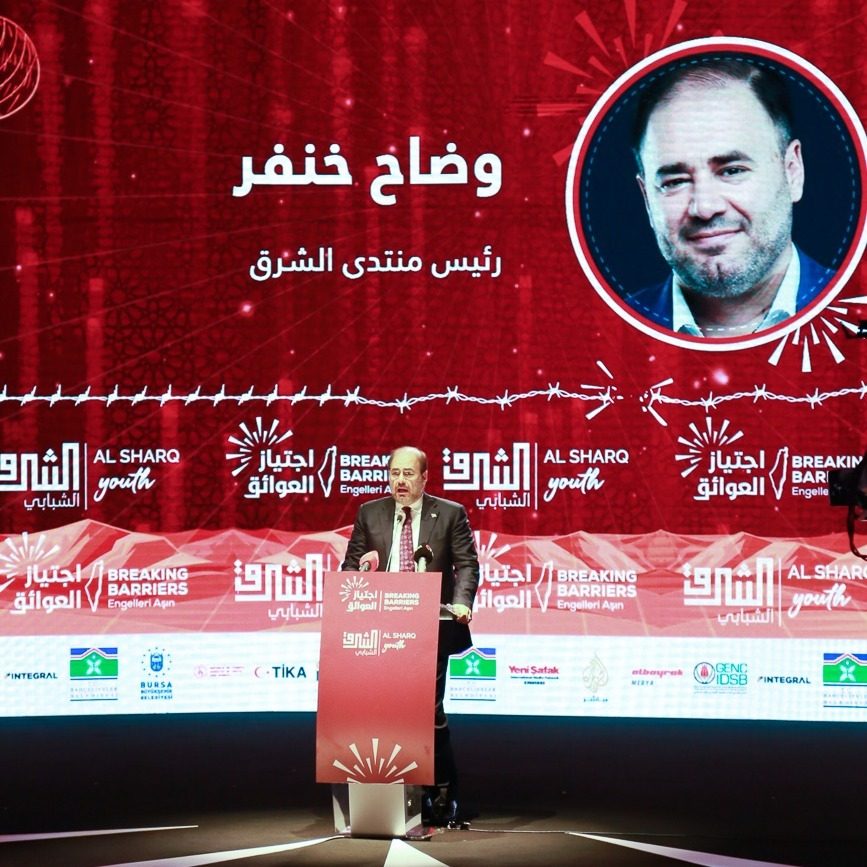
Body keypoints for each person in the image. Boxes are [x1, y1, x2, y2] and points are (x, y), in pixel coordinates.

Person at [627, 57, 834, 337]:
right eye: (675, 181)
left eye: (732, 171)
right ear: (647, 200)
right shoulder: (600, 336)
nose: (705, 207)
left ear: (792, 172)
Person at [341, 445, 479, 825]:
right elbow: (351, 565)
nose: (400, 481)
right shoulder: (370, 513)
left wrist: (461, 603)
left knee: (428, 712)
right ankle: (396, 791)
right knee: (385, 712)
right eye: (394, 473)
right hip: (379, 632)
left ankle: (442, 791)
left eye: (408, 473)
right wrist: (358, 579)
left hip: (430, 629)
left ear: (424, 477)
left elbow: (467, 565)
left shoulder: (450, 514)